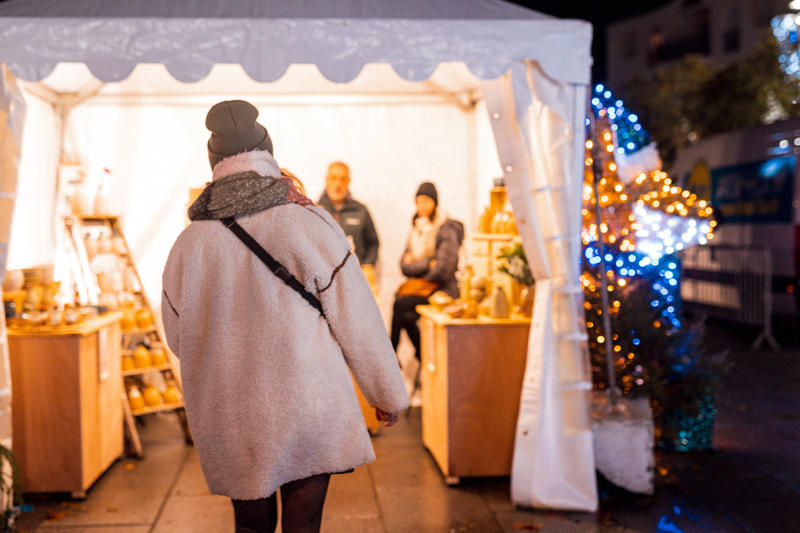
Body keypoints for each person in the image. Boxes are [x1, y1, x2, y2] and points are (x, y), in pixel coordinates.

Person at [161, 100, 409, 533]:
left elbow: (179, 337)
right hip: (308, 403)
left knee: (251, 526)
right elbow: (358, 319)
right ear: (267, 155)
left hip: (233, 409)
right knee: (304, 524)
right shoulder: (309, 223)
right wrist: (386, 393)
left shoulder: (189, 244)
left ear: (216, 164)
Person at [390, 181, 464, 362]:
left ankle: (391, 354)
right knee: (406, 317)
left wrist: (418, 267)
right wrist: (426, 265)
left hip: (443, 291)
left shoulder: (447, 229)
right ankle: (424, 358)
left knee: (400, 304)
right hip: (424, 287)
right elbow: (404, 266)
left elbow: (443, 268)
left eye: (425, 201)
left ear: (435, 202)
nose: (421, 206)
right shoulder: (416, 229)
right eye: (418, 202)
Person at [317, 161, 380, 269]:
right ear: (327, 179)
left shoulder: (361, 210)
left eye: (342, 179)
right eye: (334, 178)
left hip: (354, 275)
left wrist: (368, 264)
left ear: (348, 181)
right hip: (323, 276)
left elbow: (373, 243)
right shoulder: (315, 210)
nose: (338, 184)